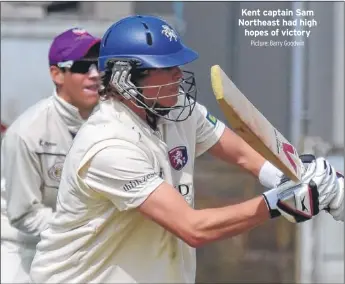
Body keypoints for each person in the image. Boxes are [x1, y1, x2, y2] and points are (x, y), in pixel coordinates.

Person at [29, 15, 344, 283]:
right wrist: (281, 203)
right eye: (165, 68)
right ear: (125, 78)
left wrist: (286, 177)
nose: (178, 75)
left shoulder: (176, 107)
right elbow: (193, 228)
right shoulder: (108, 146)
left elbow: (241, 152)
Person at [1, 28, 101, 283]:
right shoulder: (26, 133)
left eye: (99, 65)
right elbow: (24, 215)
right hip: (25, 250)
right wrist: (86, 229)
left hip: (87, 248)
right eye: (82, 66)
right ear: (56, 74)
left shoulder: (113, 121)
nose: (95, 75)